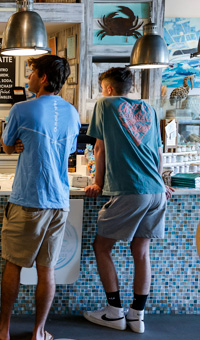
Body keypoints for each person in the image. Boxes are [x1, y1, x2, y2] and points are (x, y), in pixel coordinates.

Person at [0, 55, 80, 340]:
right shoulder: (73, 113)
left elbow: (8, 146)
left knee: (13, 263)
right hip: (60, 201)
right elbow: (70, 149)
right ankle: (38, 332)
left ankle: (3, 329)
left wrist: (17, 146)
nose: (28, 77)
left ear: (44, 78)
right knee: (46, 268)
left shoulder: (22, 109)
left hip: (29, 199)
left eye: (32, 72)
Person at [83, 67, 172, 334]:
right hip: (156, 191)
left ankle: (113, 312)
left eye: (102, 88)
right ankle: (137, 316)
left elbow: (99, 147)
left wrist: (98, 182)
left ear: (108, 88)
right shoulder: (149, 108)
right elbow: (157, 151)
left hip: (130, 189)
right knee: (141, 252)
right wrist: (161, 182)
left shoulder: (105, 104)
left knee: (102, 247)